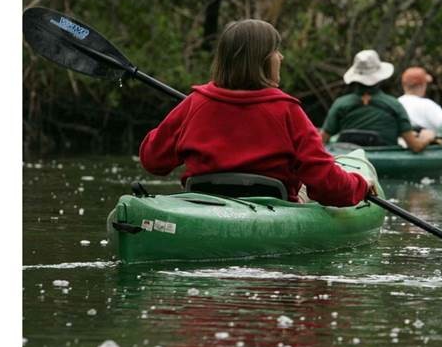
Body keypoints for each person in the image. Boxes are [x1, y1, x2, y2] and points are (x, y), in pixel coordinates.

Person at [138, 19, 374, 207]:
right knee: (307, 191)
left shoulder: (195, 103)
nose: (280, 57)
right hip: (273, 209)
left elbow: (152, 160)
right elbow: (327, 186)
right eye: (275, 51)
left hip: (205, 206)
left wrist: (180, 119)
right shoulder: (288, 111)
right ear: (261, 61)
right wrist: (360, 185)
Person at [319, 50, 436, 152]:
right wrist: (427, 137)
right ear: (380, 77)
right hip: (387, 161)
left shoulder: (340, 104)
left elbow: (321, 142)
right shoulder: (394, 105)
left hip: (348, 158)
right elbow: (415, 146)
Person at [397, 66, 442, 134]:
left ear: (404, 85)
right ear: (422, 86)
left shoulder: (396, 103)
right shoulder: (426, 105)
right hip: (422, 145)